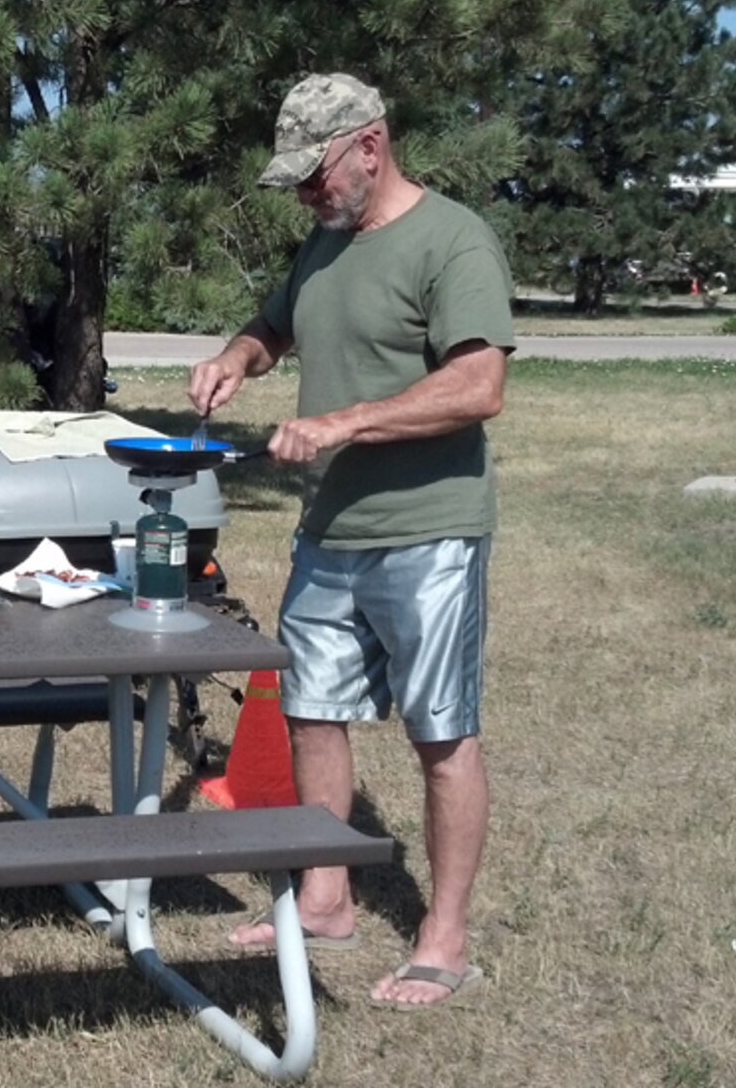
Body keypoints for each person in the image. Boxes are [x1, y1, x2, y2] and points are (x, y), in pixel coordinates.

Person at [188, 72, 514, 1011]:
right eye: (294, 181)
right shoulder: (323, 245)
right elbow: (273, 324)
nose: (306, 194)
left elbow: (478, 385)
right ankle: (325, 896)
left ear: (370, 146)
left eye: (315, 174)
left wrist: (342, 424)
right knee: (312, 708)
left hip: (428, 531)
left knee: (440, 731)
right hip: (328, 530)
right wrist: (236, 358)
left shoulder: (453, 241)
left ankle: (443, 939)